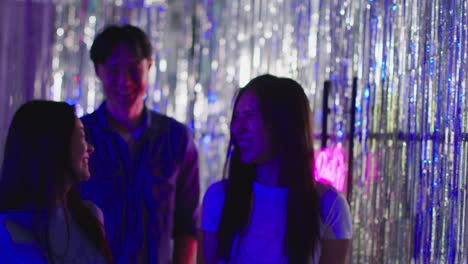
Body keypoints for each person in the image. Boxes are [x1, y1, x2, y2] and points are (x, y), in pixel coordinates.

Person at [199, 75, 352, 264]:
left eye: (249, 115)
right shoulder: (219, 197)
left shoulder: (329, 205)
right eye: (236, 116)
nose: (238, 128)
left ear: (284, 123)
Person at [80, 24, 200, 263]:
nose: (124, 82)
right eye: (113, 70)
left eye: (134, 69)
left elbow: (188, 227)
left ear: (149, 66)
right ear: (97, 71)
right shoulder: (80, 136)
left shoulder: (176, 138)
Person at [0, 100, 113, 263]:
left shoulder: (90, 216)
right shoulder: (8, 230)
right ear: (56, 143)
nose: (90, 148)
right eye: (81, 136)